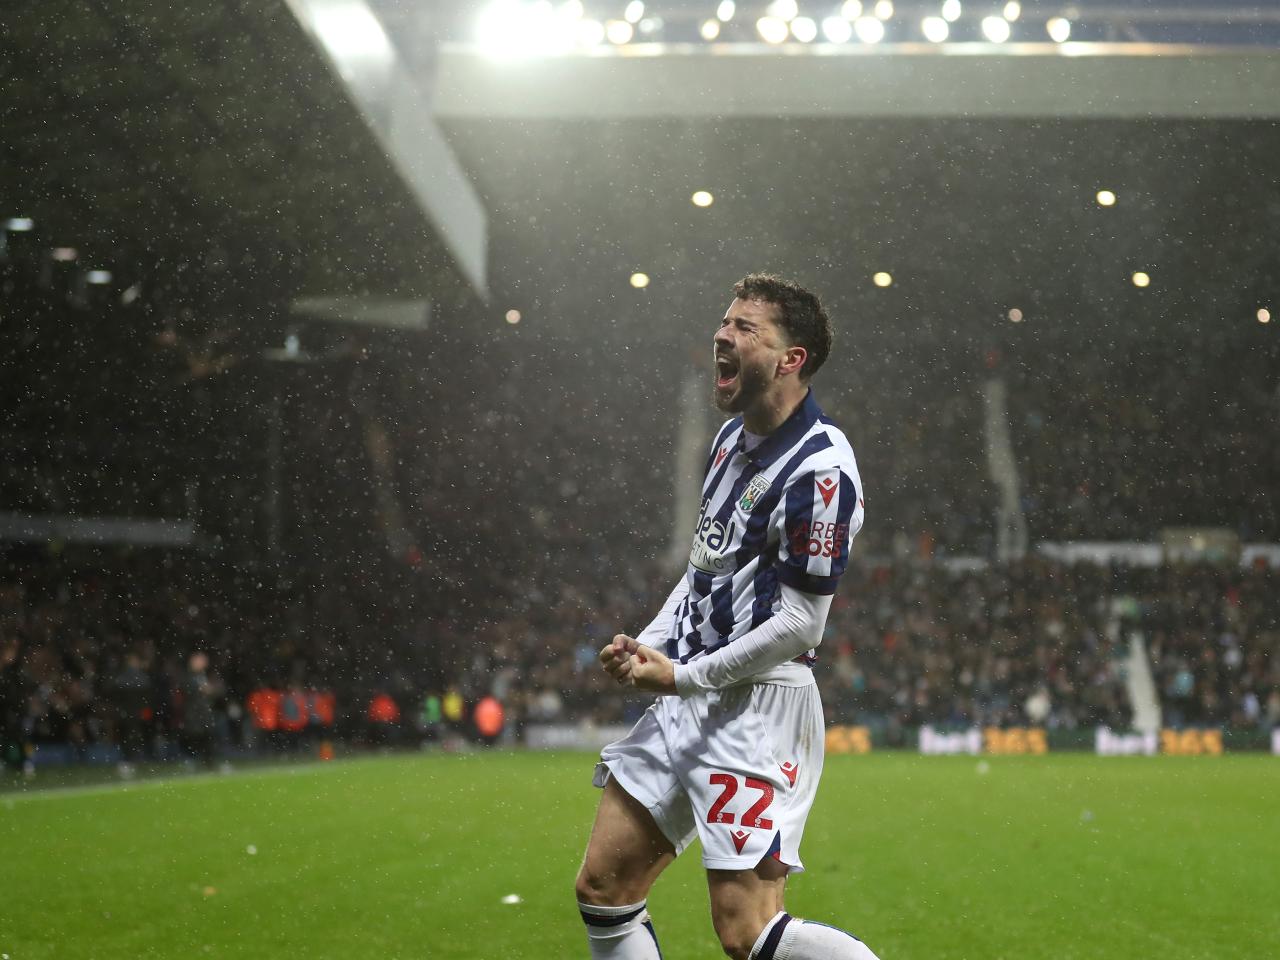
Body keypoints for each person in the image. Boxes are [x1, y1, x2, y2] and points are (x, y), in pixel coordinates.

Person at [575, 274, 881, 960]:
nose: (723, 335)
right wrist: (647, 646)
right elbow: (702, 569)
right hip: (690, 689)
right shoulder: (727, 441)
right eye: (724, 322)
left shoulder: (821, 470)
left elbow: (803, 623)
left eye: (746, 328)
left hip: (755, 712)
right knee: (605, 886)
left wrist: (684, 677)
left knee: (747, 932)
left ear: (789, 358)